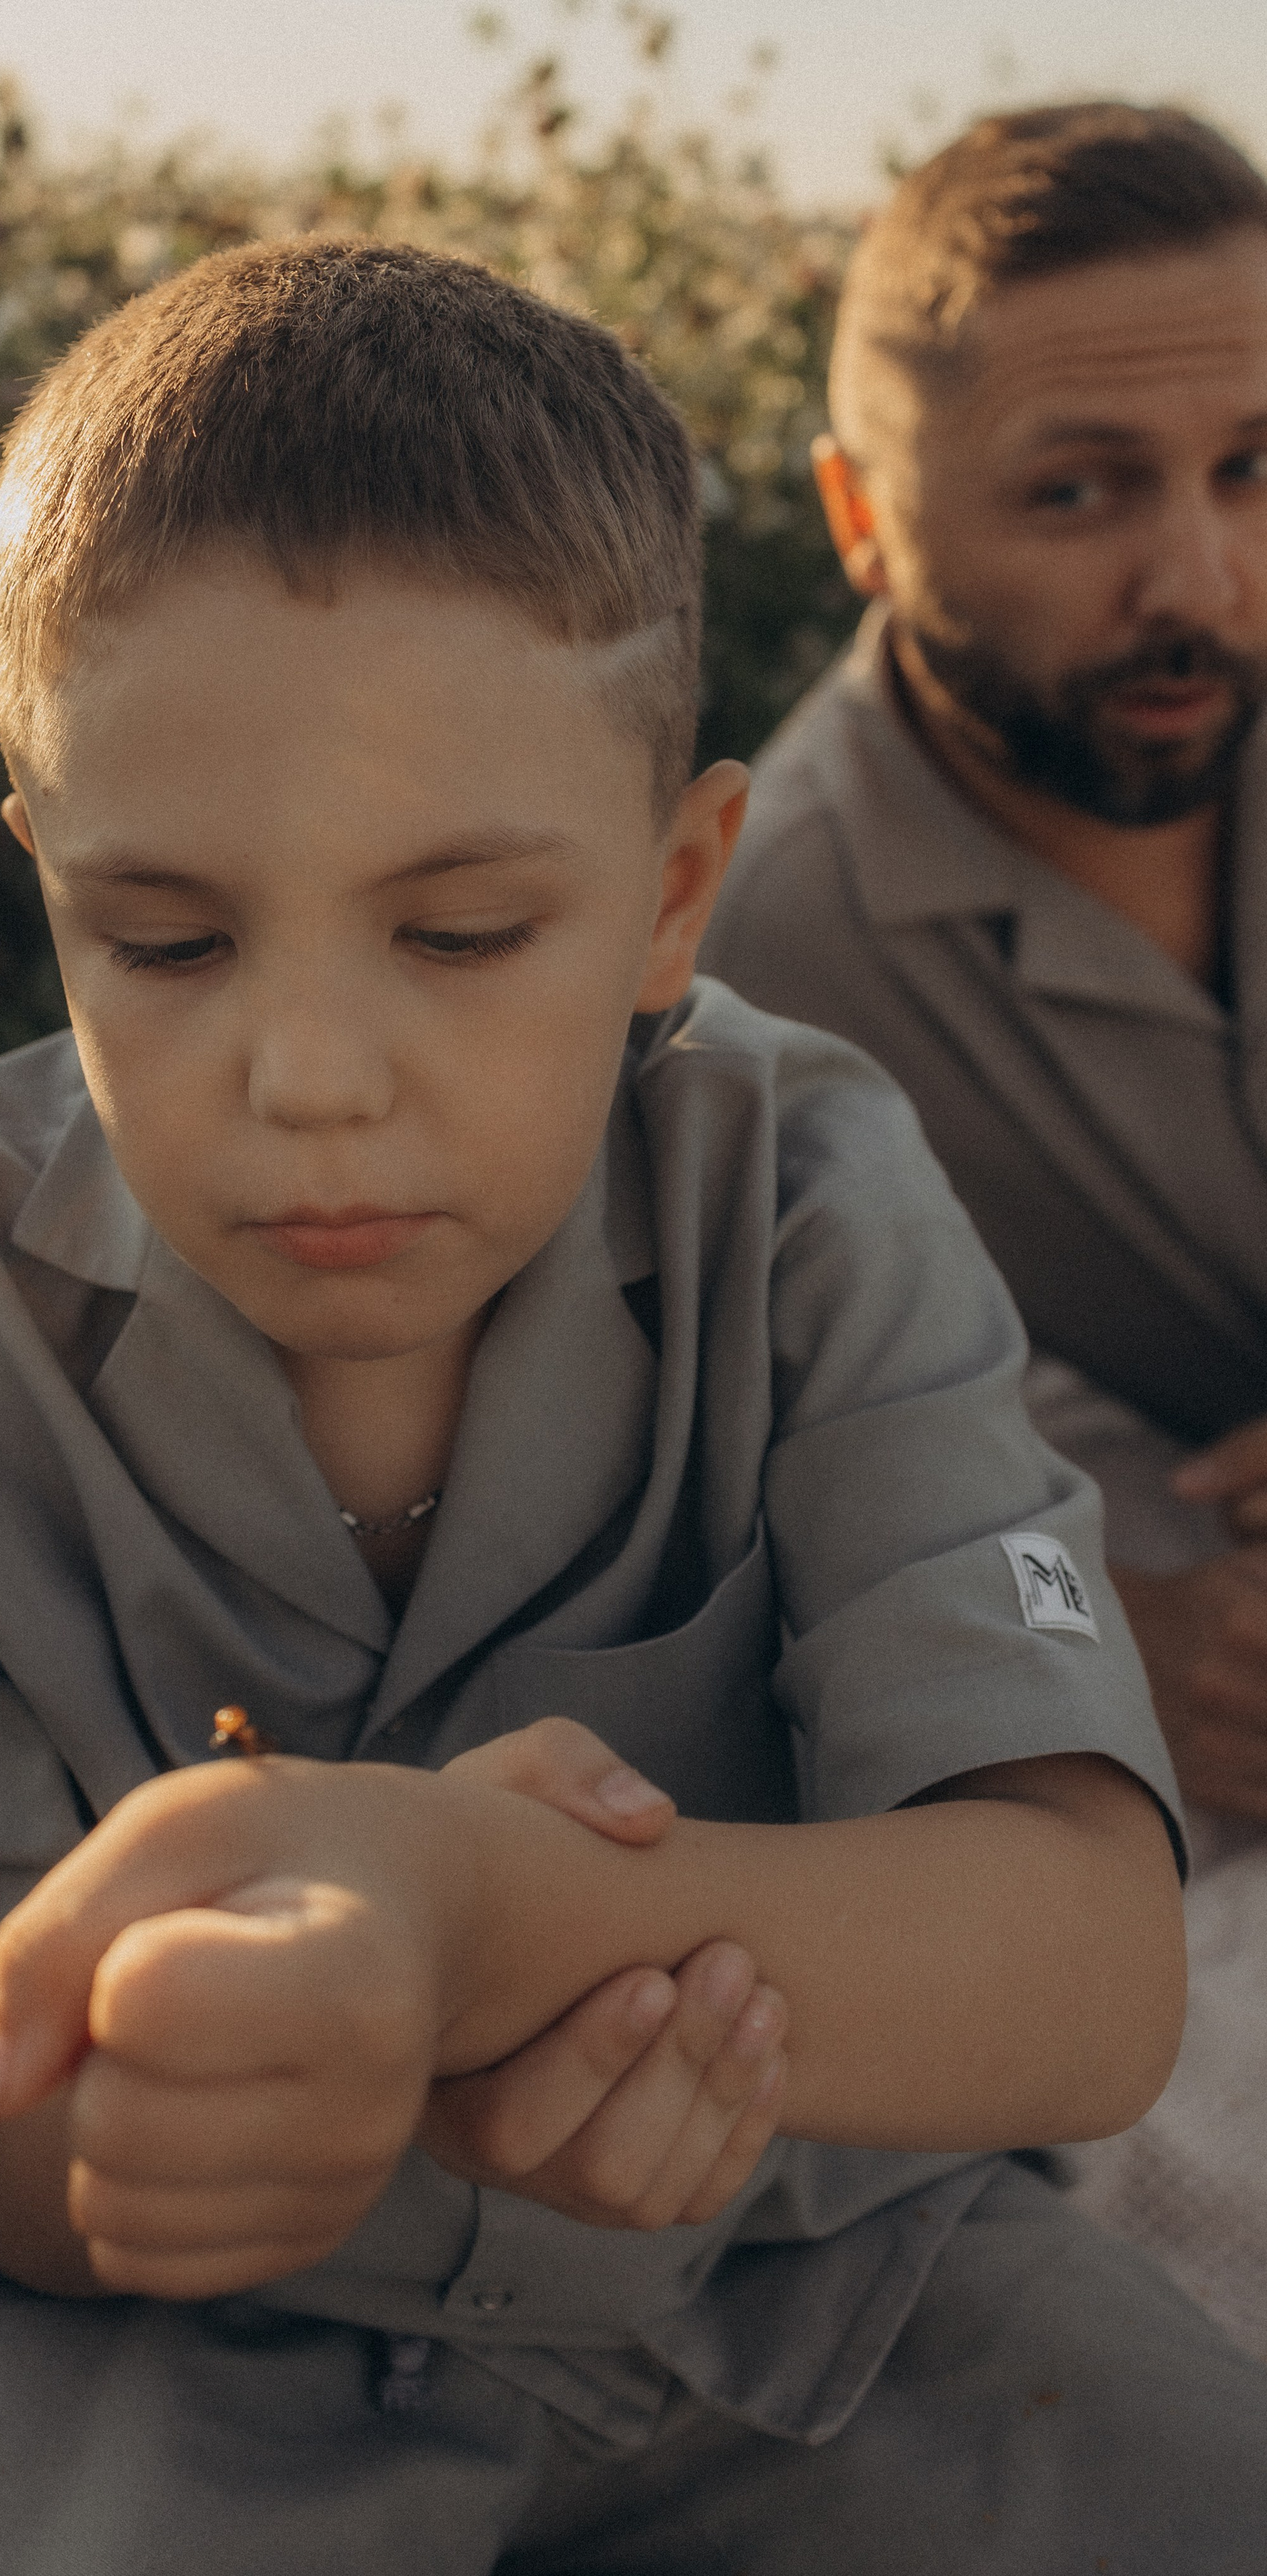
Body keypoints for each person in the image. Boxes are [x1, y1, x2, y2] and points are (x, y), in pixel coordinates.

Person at [0, 238, 1265, 2576]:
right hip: (153, 2353)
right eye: (166, 940)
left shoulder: (808, 1192)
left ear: (675, 895)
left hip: (811, 2282)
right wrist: (234, 2112)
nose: (312, 1079)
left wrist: (487, 1923)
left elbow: (1085, 1970)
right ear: (46, 878)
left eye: (459, 936)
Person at [701, 103, 1267, 2359]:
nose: (1198, 581)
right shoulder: (748, 971)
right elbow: (735, 1522)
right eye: (1079, 493)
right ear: (863, 515)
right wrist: (1108, 1634)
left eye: (1254, 467)